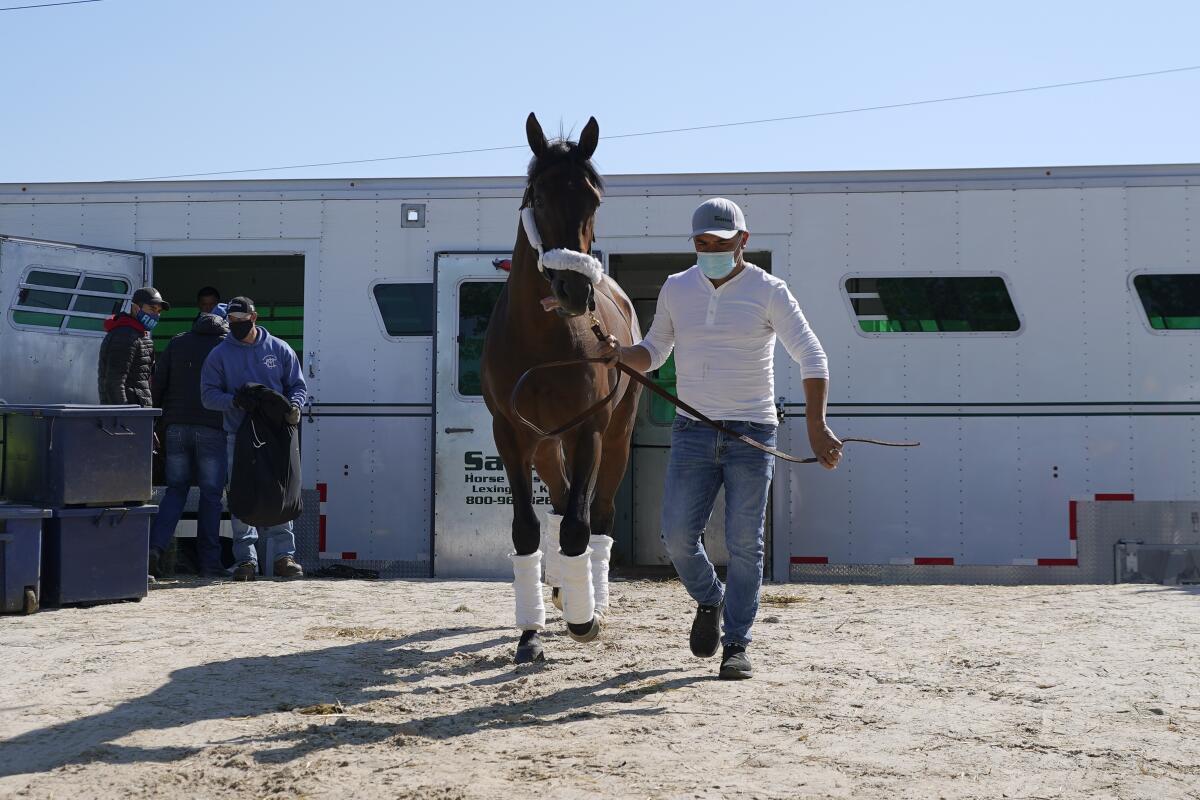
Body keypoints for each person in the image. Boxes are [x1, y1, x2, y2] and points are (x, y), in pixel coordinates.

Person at [601, 198, 841, 680]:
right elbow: (653, 351)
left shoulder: (769, 291)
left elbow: (813, 358)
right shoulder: (676, 288)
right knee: (675, 537)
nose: (710, 250)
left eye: (720, 243)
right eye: (702, 243)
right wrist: (619, 354)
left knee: (745, 545)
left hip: (752, 434)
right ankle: (710, 598)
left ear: (743, 242)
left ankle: (737, 644)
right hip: (692, 433)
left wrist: (817, 426)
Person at [200, 296, 307, 581]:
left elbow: (297, 385)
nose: (237, 325)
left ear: (254, 317)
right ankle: (246, 560)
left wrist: (295, 408)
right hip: (239, 435)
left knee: (280, 491)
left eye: (241, 320)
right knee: (241, 494)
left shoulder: (279, 348)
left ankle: (285, 557)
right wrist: (235, 401)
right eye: (232, 321)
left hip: (278, 435)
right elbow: (208, 396)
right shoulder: (219, 355)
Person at [147, 307, 230, 580]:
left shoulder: (177, 342)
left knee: (175, 490)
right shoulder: (225, 346)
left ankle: (154, 549)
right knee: (210, 496)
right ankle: (210, 563)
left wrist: (152, 422)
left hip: (176, 428)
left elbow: (157, 385)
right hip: (212, 427)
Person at [98, 287, 168, 406]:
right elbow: (114, 383)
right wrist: (125, 416)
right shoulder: (125, 335)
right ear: (136, 308)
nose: (156, 315)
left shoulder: (138, 335)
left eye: (159, 311)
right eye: (152, 309)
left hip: (138, 414)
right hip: (129, 418)